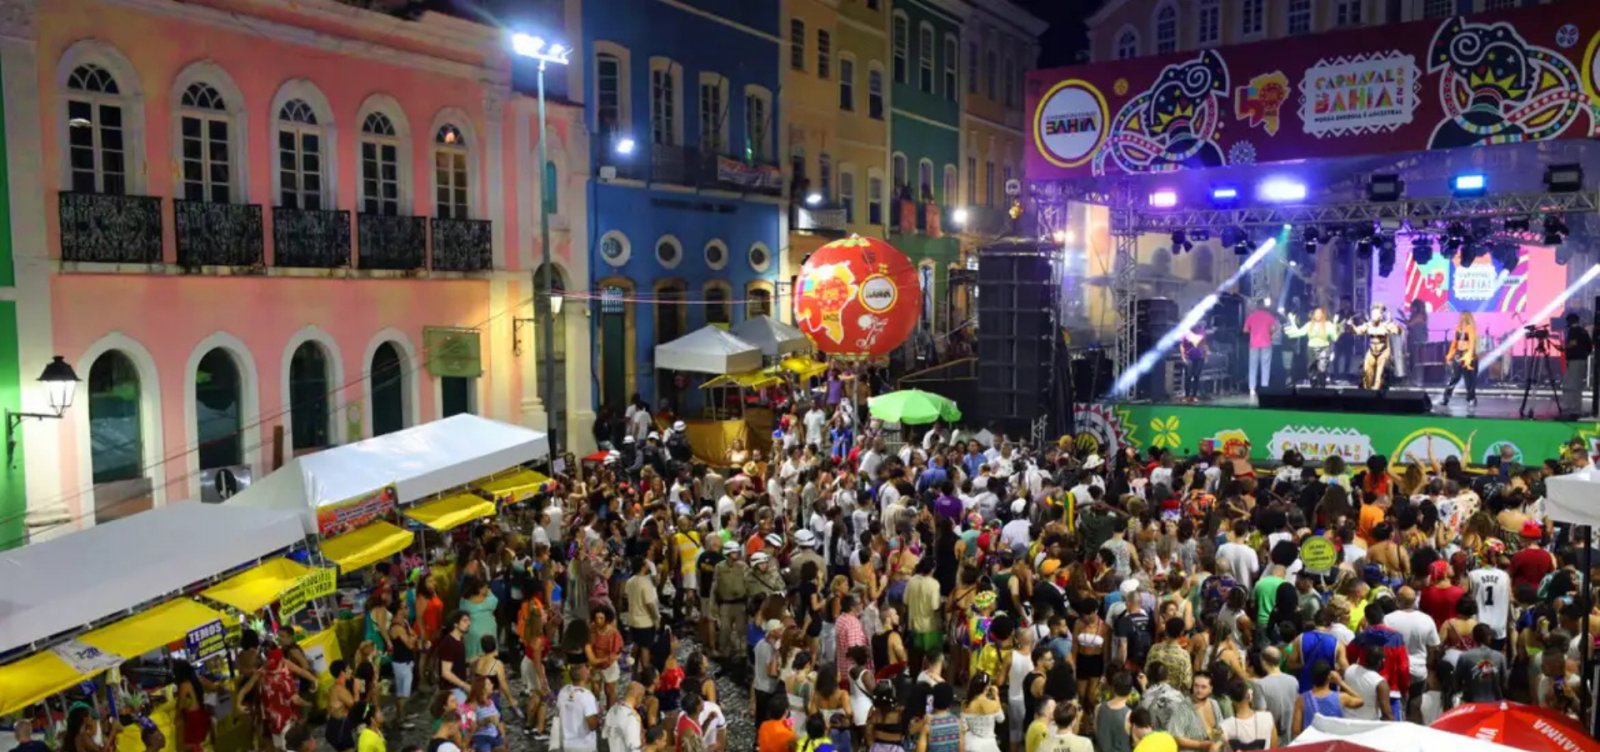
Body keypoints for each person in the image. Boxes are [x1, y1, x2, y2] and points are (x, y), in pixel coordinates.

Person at [1290, 661, 1361, 732]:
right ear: (1329, 677)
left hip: (1312, 741)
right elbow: (1360, 701)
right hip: (1332, 741)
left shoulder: (1301, 700)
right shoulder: (1341, 698)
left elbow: (1296, 730)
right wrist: (1340, 682)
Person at [1283, 308, 1341, 389]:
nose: (1317, 315)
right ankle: (1313, 388)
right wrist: (1292, 323)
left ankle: (1322, 387)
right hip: (1311, 349)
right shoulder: (1309, 324)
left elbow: (1335, 338)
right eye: (1316, 313)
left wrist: (1335, 324)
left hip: (1324, 348)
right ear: (1313, 315)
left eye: (1319, 313)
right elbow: (1299, 333)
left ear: (1323, 315)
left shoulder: (1328, 325)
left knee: (1322, 369)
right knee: (1311, 370)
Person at [1353, 303, 1402, 391]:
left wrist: (1397, 328)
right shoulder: (1368, 325)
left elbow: (1397, 331)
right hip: (1372, 351)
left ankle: (1377, 391)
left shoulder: (1386, 325)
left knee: (1380, 374)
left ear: (1380, 315)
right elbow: (1357, 331)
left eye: (1376, 314)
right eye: (1373, 314)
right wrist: (1351, 326)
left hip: (1383, 352)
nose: (1374, 316)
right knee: (1367, 371)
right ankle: (1367, 390)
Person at [558, 664, 603, 752]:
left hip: (566, 744)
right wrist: (599, 719)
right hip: (584, 745)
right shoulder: (587, 696)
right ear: (584, 675)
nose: (589, 671)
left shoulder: (563, 691)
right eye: (587, 670)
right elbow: (592, 725)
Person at [1217, 682, 1274, 751]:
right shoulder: (1267, 717)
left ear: (1231, 699)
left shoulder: (1225, 726)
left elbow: (1214, 748)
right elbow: (1275, 748)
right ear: (1249, 696)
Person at [1441, 313, 1478, 407]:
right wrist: (1449, 356)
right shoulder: (1458, 329)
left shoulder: (1470, 328)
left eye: (1463, 317)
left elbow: (1472, 343)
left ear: (1467, 318)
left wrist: (1469, 356)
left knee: (1469, 379)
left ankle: (1471, 398)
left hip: (1468, 356)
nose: (1461, 319)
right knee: (1454, 377)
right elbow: (1454, 344)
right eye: (1461, 317)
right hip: (1458, 354)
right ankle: (1446, 398)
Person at [1243, 300, 1278, 397]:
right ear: (1264, 306)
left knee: (1253, 366)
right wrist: (1268, 333)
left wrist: (1253, 331)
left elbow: (1245, 330)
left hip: (1254, 344)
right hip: (1266, 343)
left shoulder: (1251, 316)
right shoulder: (1269, 316)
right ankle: (1264, 387)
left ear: (1257, 306)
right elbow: (1273, 329)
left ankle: (1252, 389)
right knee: (1265, 366)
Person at [1560, 312, 1592, 419]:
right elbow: (1589, 346)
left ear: (1569, 322)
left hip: (1574, 360)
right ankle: (1577, 409)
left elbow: (1573, 343)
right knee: (1578, 385)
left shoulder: (1573, 331)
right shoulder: (1584, 331)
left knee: (1570, 384)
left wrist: (1564, 348)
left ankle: (1569, 408)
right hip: (1582, 360)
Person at [1180, 325, 1206, 403]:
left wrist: (1205, 355)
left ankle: (1194, 396)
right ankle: (1187, 396)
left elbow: (1199, 342)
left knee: (1196, 376)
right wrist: (1183, 357)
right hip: (1188, 357)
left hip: (1199, 357)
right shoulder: (1185, 332)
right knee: (1188, 376)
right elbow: (1182, 345)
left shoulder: (1201, 331)